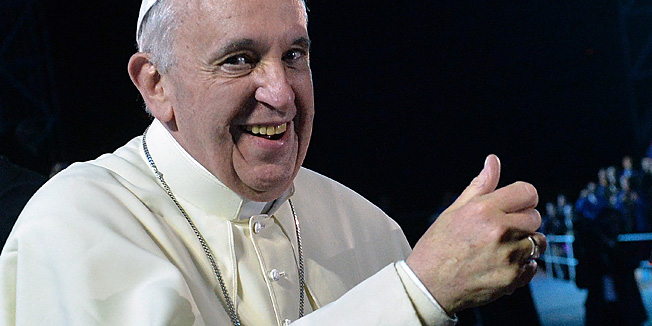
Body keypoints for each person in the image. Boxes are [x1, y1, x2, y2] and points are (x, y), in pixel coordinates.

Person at [0, 0, 546, 325]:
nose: (281, 94)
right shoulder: (75, 225)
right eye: (239, 60)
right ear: (156, 84)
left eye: (294, 55)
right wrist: (414, 295)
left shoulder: (372, 230)